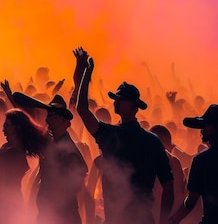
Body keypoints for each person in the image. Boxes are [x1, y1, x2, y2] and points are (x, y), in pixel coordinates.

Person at [73, 47, 174, 224]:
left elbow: (168, 185)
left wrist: (85, 76)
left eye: (121, 99)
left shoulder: (121, 136)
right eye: (116, 99)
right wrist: (84, 75)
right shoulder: (115, 134)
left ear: (135, 107)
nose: (116, 102)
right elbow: (81, 109)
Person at [13, 91, 89, 224]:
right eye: (50, 114)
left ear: (64, 121)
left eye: (54, 114)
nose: (49, 117)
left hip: (63, 216)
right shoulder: (49, 142)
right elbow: (28, 123)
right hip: (47, 212)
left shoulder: (69, 150)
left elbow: (77, 184)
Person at [0, 108, 48, 223]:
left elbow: (2, 178)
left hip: (6, 206)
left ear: (17, 127)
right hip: (0, 203)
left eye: (7, 125)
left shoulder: (16, 154)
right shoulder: (6, 148)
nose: (3, 129)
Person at [169, 104, 218, 224]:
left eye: (206, 125)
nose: (202, 130)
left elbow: (191, 200)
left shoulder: (202, 160)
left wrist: (174, 219)